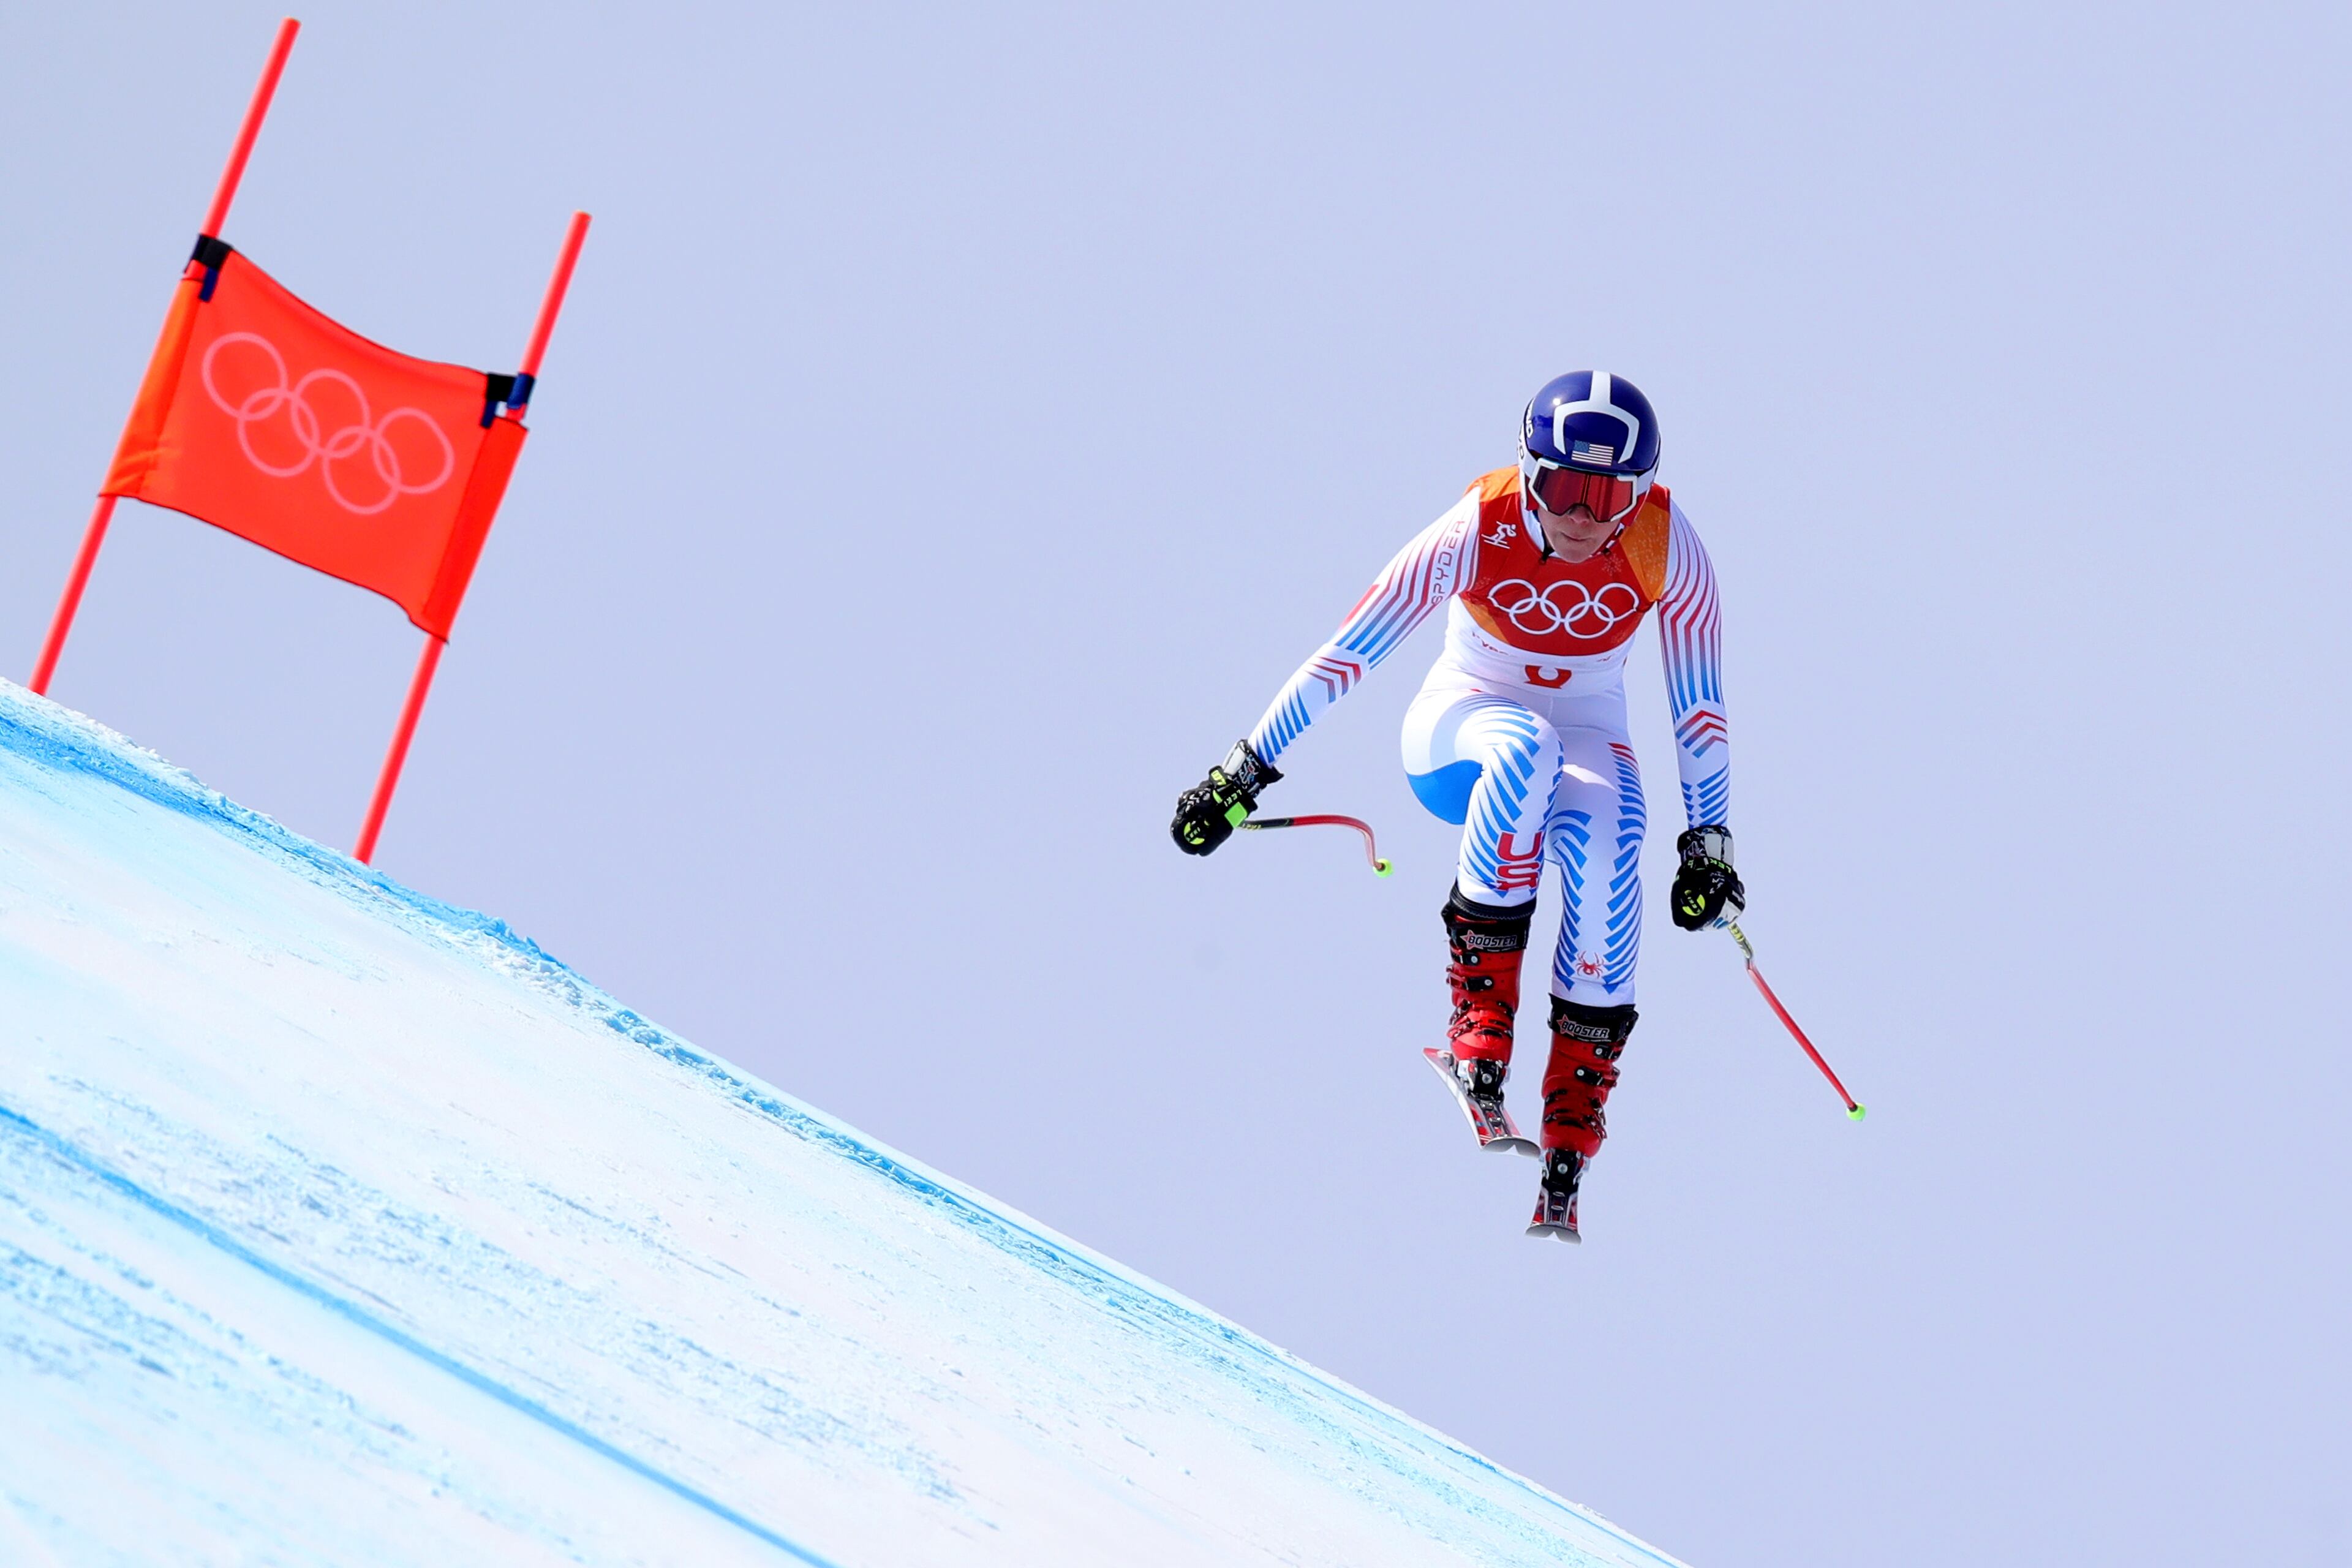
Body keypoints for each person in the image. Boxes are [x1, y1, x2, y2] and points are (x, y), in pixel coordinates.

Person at [1170, 372, 1744, 1243]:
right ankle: (1481, 1025)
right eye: (1563, 487)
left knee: (1613, 834)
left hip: (1591, 726)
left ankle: (1574, 1117)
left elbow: (1697, 707)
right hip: (1461, 731)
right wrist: (1242, 772)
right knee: (1525, 751)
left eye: (1607, 495)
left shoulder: (1667, 544)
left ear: (1639, 495)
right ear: (1527, 472)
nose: (1584, 517)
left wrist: (1709, 845)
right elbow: (1351, 650)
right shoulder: (1479, 523)